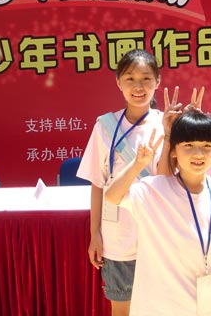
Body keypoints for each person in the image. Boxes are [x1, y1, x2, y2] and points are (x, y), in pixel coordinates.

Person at [105, 110, 211, 316]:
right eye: (188, 146)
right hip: (159, 309)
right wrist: (137, 164)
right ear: (173, 151)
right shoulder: (153, 190)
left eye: (207, 146)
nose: (198, 154)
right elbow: (112, 196)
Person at [76, 49, 166, 316]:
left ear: (157, 81)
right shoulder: (105, 126)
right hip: (118, 237)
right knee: (122, 308)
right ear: (118, 83)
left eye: (146, 79)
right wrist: (95, 233)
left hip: (158, 234)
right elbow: (97, 183)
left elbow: (169, 181)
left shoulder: (167, 125)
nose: (138, 87)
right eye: (130, 79)